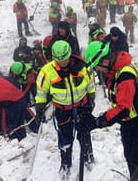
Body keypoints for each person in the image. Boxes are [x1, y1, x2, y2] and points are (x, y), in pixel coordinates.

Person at [79, 41, 138, 180]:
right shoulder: (114, 70)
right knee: (130, 156)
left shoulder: (125, 75)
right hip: (129, 120)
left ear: (105, 61)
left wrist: (97, 122)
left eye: (97, 67)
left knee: (137, 158)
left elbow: (123, 108)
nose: (98, 70)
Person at [35, 40, 96, 176]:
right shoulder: (47, 71)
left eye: (65, 59)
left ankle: (89, 157)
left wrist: (91, 96)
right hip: (62, 109)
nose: (62, 62)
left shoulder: (82, 67)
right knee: (65, 137)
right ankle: (66, 163)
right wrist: (40, 106)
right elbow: (41, 91)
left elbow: (90, 82)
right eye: (59, 60)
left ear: (70, 54)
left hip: (81, 105)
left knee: (84, 134)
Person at [0, 72, 27, 141]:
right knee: (16, 126)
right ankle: (21, 141)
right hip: (12, 97)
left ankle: (13, 145)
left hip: (9, 101)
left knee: (8, 130)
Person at [9, 62, 39, 133]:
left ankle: (38, 103)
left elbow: (30, 84)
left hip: (31, 82)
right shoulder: (12, 70)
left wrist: (23, 93)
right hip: (22, 82)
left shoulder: (29, 70)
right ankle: (27, 103)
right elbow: (10, 81)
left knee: (34, 91)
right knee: (25, 98)